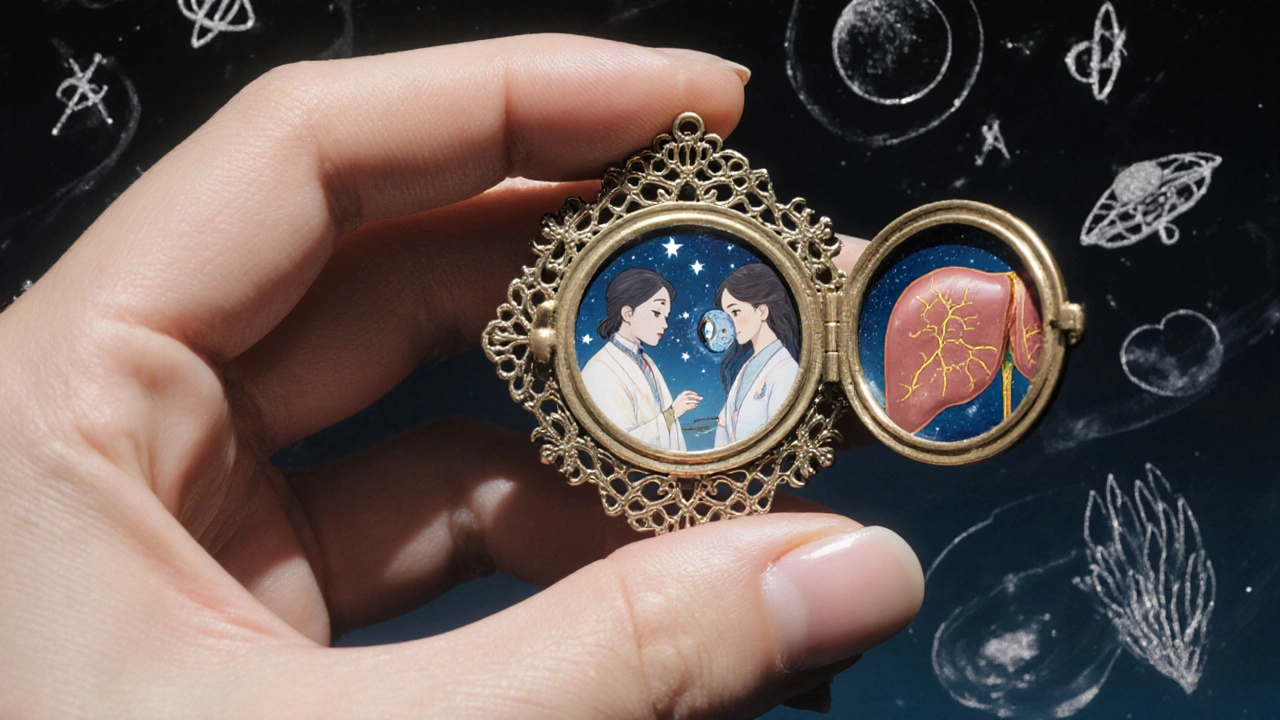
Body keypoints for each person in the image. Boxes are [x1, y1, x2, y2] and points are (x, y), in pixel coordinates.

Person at [0, 35, 921, 716]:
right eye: (653, 314)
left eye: (676, 315)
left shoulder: (728, 368)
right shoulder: (607, 371)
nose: (672, 322)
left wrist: (685, 420)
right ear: (619, 314)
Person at [581, 268, 701, 450]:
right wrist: (673, 413)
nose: (665, 324)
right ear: (628, 313)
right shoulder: (599, 370)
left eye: (666, 316)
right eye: (656, 312)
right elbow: (618, 442)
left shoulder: (646, 362)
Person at [714, 264, 802, 447]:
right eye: (725, 315)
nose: (728, 325)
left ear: (761, 311)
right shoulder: (746, 367)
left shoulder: (785, 370)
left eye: (735, 312)